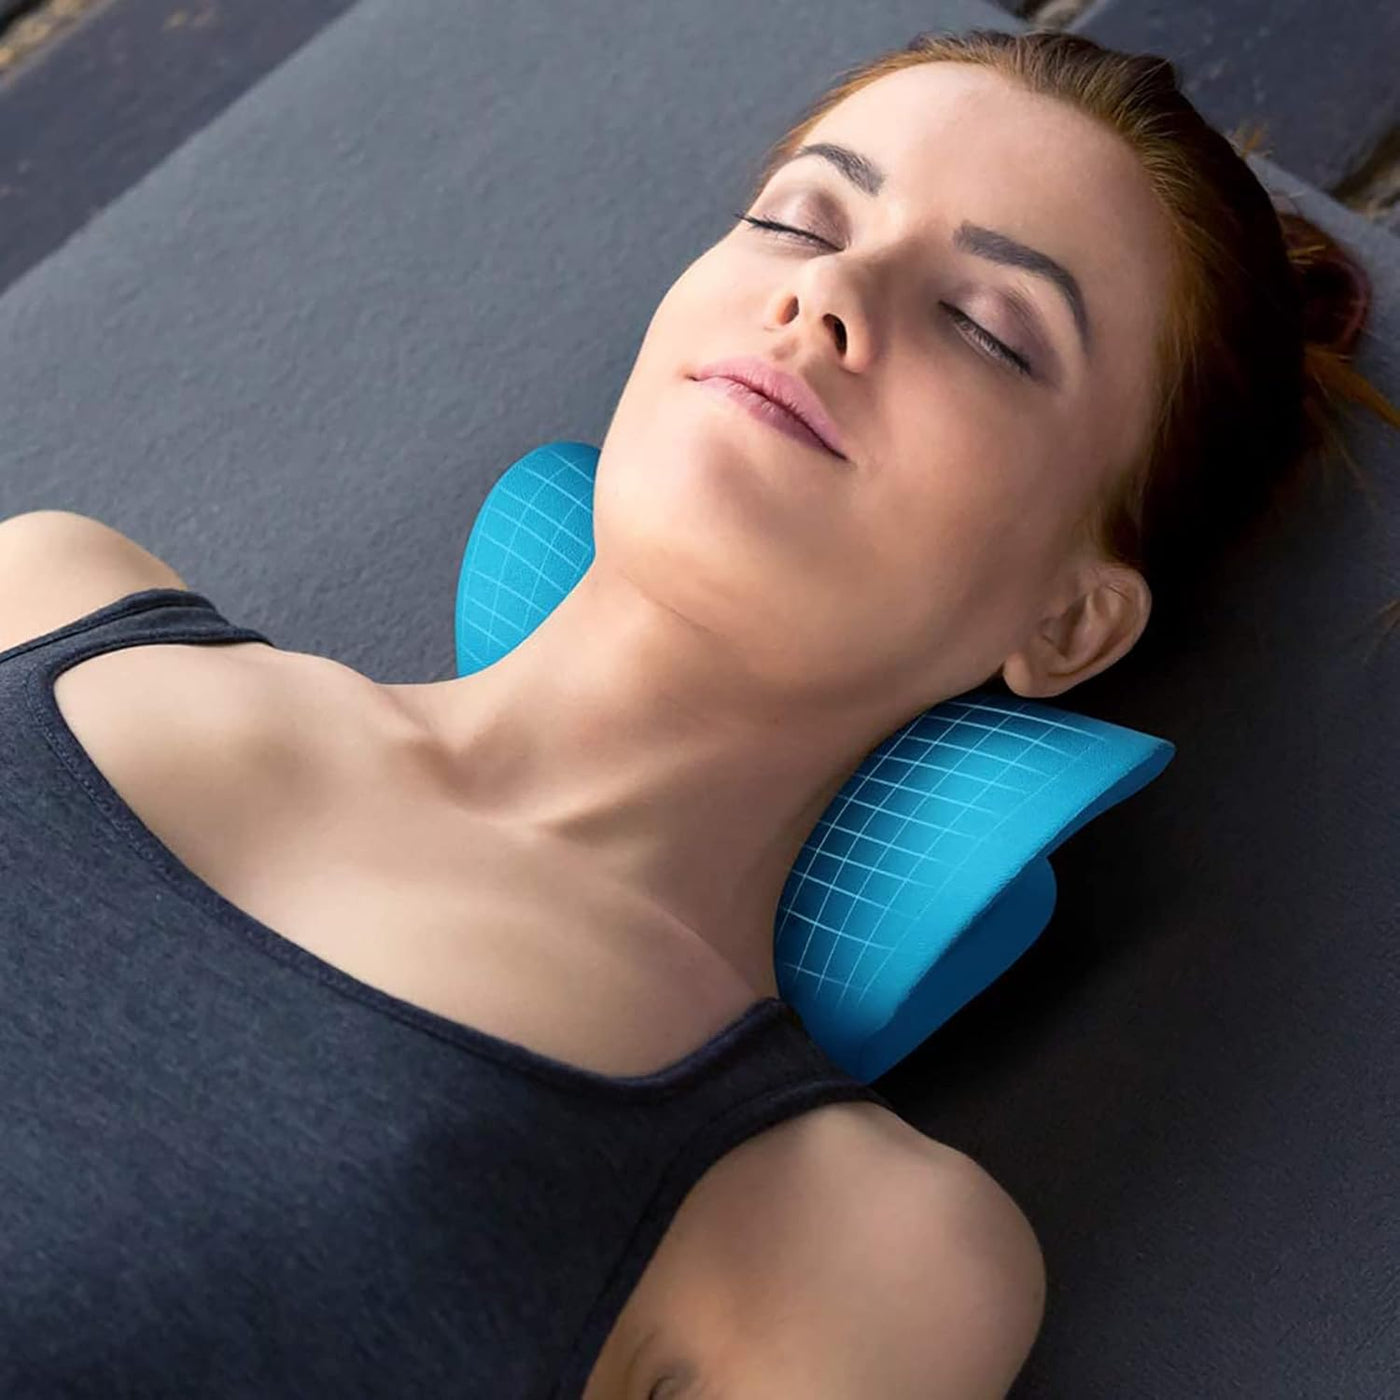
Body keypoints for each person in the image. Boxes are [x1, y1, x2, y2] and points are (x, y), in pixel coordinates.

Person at [0, 27, 1395, 1400]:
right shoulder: (47, 591)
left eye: (984, 326)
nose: (828, 290)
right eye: (799, 220)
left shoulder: (853, 1248)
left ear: (1068, 622)